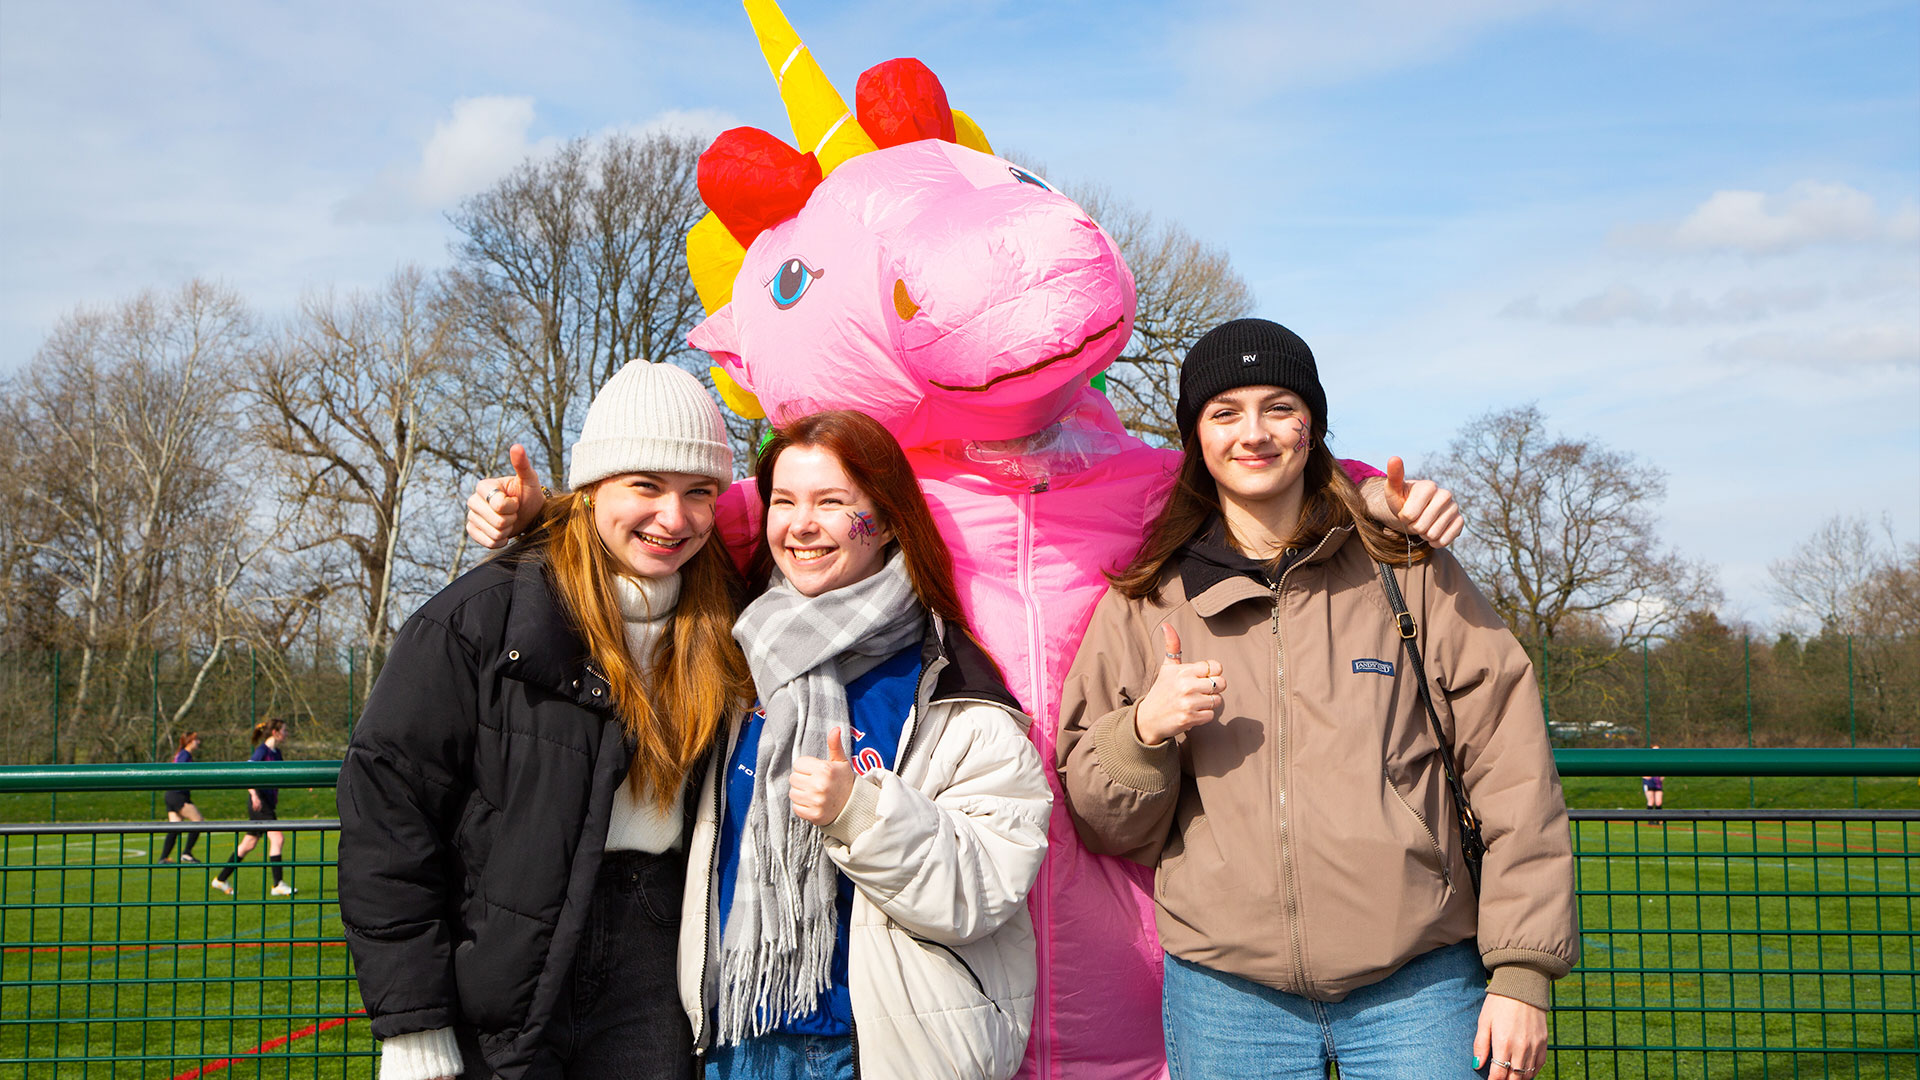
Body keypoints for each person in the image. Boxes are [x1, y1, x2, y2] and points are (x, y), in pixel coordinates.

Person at [1056, 319, 1577, 1080]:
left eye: (1279, 407)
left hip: (1421, 985)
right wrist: (1143, 732)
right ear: (1195, 437)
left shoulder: (1408, 570)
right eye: (1225, 412)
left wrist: (1523, 973)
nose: (1255, 433)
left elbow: (1513, 771)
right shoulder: (1146, 602)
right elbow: (1101, 820)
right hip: (1226, 999)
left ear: (1314, 426)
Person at [336, 362, 752, 1080]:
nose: (674, 518)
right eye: (645, 486)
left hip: (660, 949)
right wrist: (413, 1021)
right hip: (504, 950)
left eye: (699, 492)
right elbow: (388, 808)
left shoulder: (731, 624)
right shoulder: (481, 618)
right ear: (590, 492)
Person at [682, 410, 1050, 1080]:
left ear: (882, 520)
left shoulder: (951, 683)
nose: (801, 524)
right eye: (784, 501)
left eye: (831, 502)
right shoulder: (733, 654)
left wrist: (862, 812)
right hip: (733, 1034)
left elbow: (988, 882)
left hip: (872, 1046)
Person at [212, 719, 292, 896]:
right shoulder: (262, 751)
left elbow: (284, 775)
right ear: (275, 732)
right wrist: (254, 795)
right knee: (277, 838)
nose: (287, 734)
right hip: (259, 802)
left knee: (249, 843)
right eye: (285, 730)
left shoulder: (277, 753)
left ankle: (221, 879)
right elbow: (247, 771)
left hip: (267, 803)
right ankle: (278, 884)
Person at [157, 731, 204, 863]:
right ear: (189, 741)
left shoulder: (181, 754)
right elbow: (180, 773)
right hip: (178, 795)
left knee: (175, 827)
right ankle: (187, 853)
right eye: (196, 740)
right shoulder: (185, 755)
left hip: (171, 795)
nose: (198, 742)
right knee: (199, 821)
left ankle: (163, 857)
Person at [1643, 745, 1664, 814]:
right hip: (1649, 782)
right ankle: (1650, 819)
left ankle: (1659, 818)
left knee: (1658, 802)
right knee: (1651, 801)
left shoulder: (1660, 760)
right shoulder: (1647, 759)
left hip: (1657, 783)